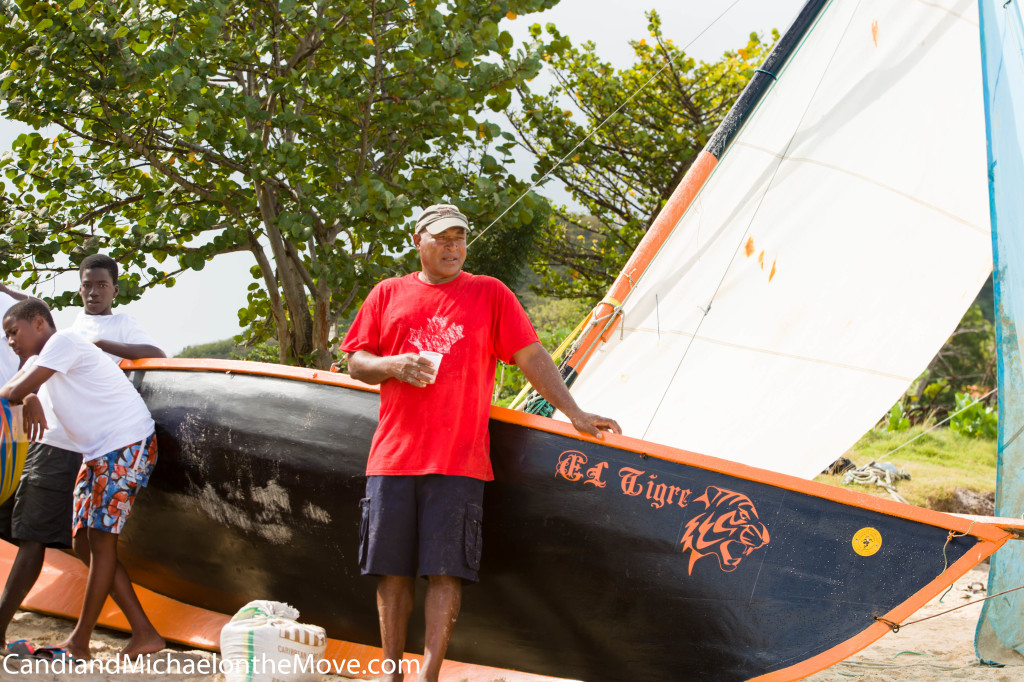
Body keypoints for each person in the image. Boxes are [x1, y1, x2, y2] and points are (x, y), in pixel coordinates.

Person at [340, 204, 621, 682]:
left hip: (460, 461)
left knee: (446, 572)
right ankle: (389, 673)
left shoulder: (490, 293)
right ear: (418, 242)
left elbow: (531, 355)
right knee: (391, 571)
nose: (452, 247)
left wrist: (574, 413)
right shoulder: (387, 293)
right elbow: (356, 362)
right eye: (441, 238)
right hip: (393, 457)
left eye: (459, 239)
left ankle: (428, 675)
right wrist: (393, 365)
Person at [0, 297, 161, 662]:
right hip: (98, 454)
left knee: (102, 543)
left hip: (125, 445)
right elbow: (20, 388)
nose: (10, 341)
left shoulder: (64, 341)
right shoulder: (49, 357)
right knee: (84, 545)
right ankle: (145, 632)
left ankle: (78, 643)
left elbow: (8, 392)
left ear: (39, 322)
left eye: (14, 332)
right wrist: (29, 396)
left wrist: (24, 394)